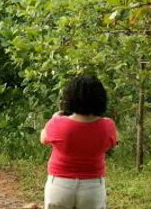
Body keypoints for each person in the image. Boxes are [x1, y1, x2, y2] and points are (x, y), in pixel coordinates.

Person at [39, 73, 118, 209]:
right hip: (92, 186)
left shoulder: (58, 123)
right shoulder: (107, 125)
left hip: (60, 184)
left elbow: (43, 138)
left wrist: (54, 118)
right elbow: (114, 140)